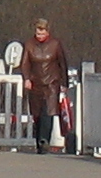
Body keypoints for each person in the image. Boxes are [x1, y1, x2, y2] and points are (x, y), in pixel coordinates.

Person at [18, 20, 72, 154]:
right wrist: (26, 79)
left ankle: (44, 141)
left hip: (51, 84)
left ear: (47, 32)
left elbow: (62, 64)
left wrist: (64, 83)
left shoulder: (55, 44)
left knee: (48, 112)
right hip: (36, 84)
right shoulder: (29, 45)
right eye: (37, 33)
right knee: (37, 114)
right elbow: (25, 64)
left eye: (42, 33)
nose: (40, 36)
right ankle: (39, 142)